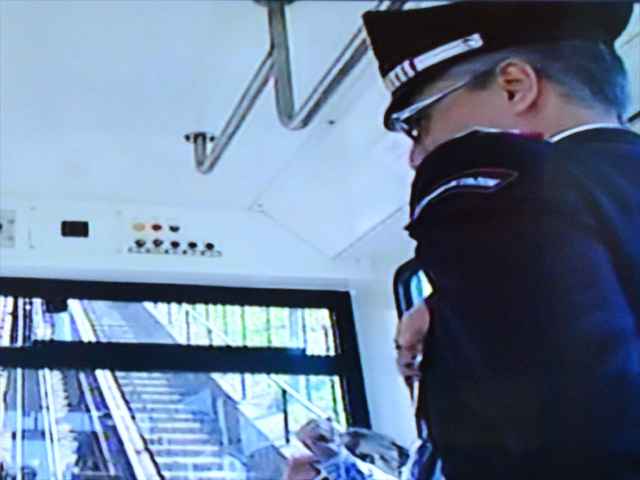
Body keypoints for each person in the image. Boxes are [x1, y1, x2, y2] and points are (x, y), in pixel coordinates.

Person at [361, 2, 640, 480]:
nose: (415, 155)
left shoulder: (494, 184)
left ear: (514, 86)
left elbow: (573, 437)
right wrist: (451, 304)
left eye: (417, 123)